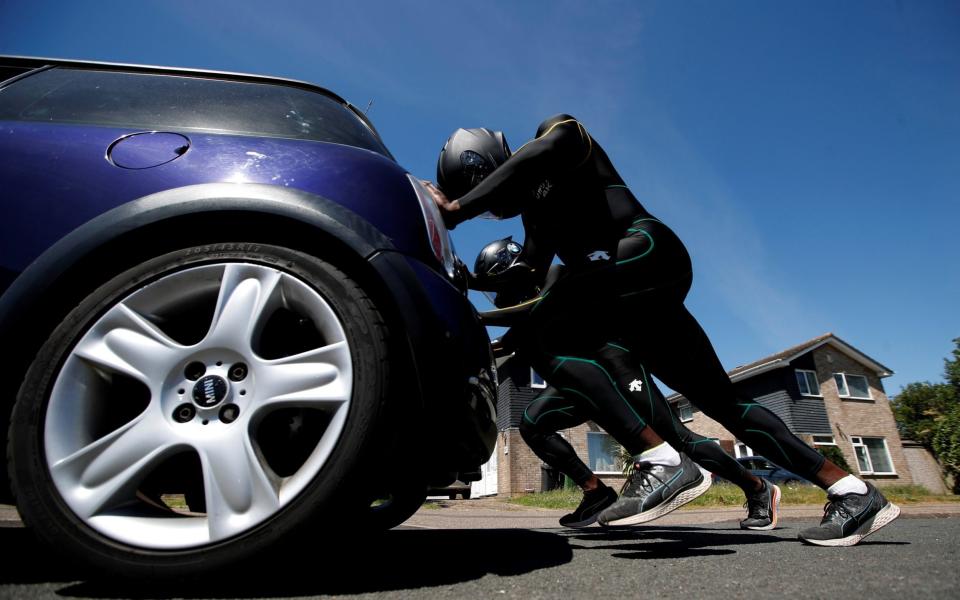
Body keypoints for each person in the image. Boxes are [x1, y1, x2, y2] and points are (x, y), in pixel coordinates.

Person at [426, 116, 900, 545]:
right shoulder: (537, 220)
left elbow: (544, 158)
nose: (491, 211)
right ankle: (852, 492)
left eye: (483, 195)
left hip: (649, 253)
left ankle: (662, 462)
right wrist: (462, 280)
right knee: (724, 404)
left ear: (486, 168)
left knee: (549, 319)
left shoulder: (559, 135)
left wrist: (458, 209)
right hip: (634, 304)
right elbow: (528, 270)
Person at [471, 236, 775, 530]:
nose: (501, 296)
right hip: (582, 385)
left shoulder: (556, 274)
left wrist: (479, 315)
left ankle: (758, 487)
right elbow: (508, 342)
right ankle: (596, 493)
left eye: (501, 286)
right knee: (533, 424)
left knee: (675, 434)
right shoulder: (525, 306)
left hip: (617, 366)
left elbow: (535, 312)